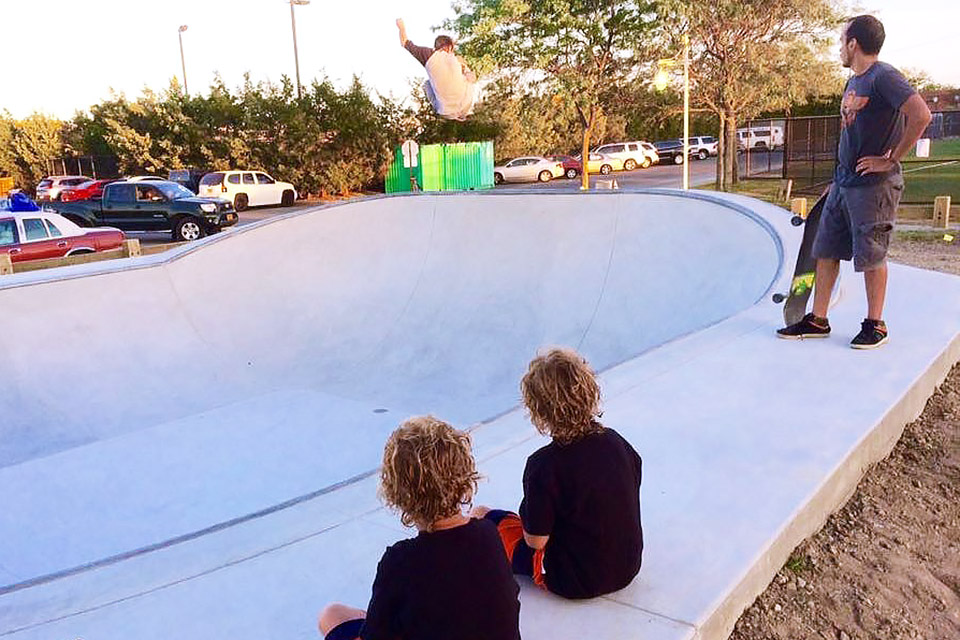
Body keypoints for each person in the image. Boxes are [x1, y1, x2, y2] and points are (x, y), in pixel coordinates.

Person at [777, 14, 932, 349]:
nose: (839, 48)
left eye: (842, 41)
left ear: (854, 43)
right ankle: (818, 319)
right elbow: (851, 136)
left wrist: (890, 159)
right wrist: (836, 178)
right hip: (844, 183)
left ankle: (876, 325)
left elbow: (921, 115)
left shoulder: (883, 76)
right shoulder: (854, 82)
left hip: (873, 187)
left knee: (871, 253)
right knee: (826, 249)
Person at [317, 416, 521, 640]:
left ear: (396, 493)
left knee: (331, 615)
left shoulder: (400, 561)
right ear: (464, 479)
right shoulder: (489, 533)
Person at [472, 348, 643, 600]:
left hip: (573, 580)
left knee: (485, 519)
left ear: (538, 411)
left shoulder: (543, 465)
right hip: (627, 567)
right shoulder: (617, 442)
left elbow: (535, 542)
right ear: (591, 391)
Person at [396, 18, 477, 121]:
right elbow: (473, 78)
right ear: (449, 47)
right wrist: (465, 71)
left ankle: (445, 109)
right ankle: (464, 112)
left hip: (445, 112)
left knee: (427, 84)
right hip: (466, 105)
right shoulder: (457, 60)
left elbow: (404, 42)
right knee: (468, 74)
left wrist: (401, 27)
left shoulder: (428, 55)